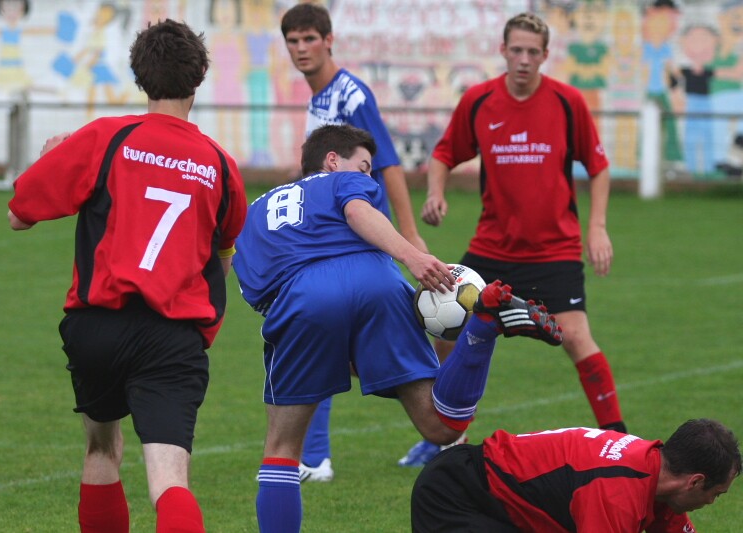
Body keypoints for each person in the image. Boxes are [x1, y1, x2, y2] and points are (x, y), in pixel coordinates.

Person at [232, 124, 563, 533]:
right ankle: (482, 327)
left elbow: (252, 285)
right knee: (442, 427)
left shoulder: (253, 211)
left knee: (282, 449)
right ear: (332, 161)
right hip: (378, 284)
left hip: (301, 298)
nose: (367, 176)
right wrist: (412, 256)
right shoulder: (344, 181)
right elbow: (357, 211)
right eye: (364, 167)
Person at [6, 19, 248, 533]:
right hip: (172, 334)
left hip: (97, 326)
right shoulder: (220, 165)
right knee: (169, 482)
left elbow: (18, 214)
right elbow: (224, 257)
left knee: (101, 450)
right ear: (199, 77)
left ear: (140, 77)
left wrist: (51, 158)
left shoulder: (105, 138)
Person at [402, 11, 626, 467]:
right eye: (517, 50)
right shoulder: (480, 100)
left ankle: (621, 440)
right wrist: (436, 193)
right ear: (503, 51)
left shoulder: (567, 102)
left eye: (533, 52)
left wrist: (597, 226)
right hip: (492, 247)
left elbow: (598, 166)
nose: (524, 59)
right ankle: (444, 437)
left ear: (545, 55)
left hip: (554, 249)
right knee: (446, 332)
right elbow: (444, 153)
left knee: (576, 338)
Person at [279, 2, 429, 482]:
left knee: (327, 335)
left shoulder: (350, 94)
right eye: (293, 41)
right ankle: (318, 457)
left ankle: (445, 427)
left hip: (355, 234)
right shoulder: (318, 97)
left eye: (309, 39)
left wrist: (409, 235)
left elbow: (387, 162)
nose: (301, 49)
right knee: (332, 339)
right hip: (332, 235)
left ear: (329, 41)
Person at [412, 418, 741, 532]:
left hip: (490, 494)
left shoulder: (657, 469)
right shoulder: (616, 492)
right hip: (457, 494)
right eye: (716, 494)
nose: (712, 502)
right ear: (695, 481)